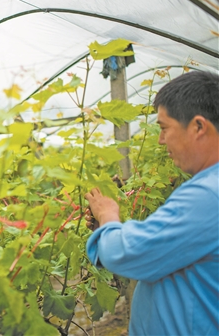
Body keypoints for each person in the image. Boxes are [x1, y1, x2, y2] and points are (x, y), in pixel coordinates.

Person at [85, 71, 219, 335]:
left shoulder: (207, 196)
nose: (160, 140)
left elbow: (128, 251)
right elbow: (167, 249)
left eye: (164, 128)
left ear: (198, 127)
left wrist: (108, 218)